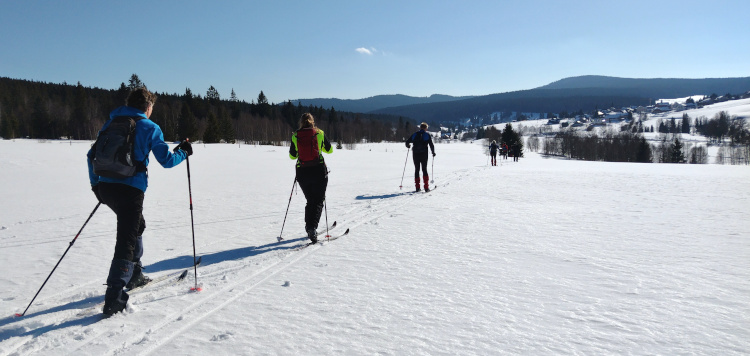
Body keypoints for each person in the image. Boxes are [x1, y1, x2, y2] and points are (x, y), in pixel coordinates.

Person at [87, 87, 192, 316]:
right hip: (129, 190)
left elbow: (91, 155)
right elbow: (166, 160)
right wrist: (184, 152)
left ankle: (135, 274)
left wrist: (96, 185)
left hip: (106, 187)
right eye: (152, 107)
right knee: (126, 237)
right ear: (148, 106)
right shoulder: (149, 127)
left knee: (137, 226)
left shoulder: (111, 123)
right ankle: (115, 296)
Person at [289, 113, 333, 244]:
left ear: (301, 122)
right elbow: (329, 150)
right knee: (319, 200)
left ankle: (309, 227)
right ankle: (312, 228)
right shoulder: (319, 133)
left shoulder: (295, 135)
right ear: (313, 121)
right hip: (318, 170)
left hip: (302, 172)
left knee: (310, 200)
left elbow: (292, 156)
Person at [405, 122, 436, 192]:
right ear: (425, 128)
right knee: (424, 169)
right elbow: (431, 145)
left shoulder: (415, 134)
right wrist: (433, 152)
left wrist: (408, 146)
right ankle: (426, 187)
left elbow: (407, 142)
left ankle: (417, 187)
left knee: (417, 169)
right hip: (424, 154)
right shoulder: (427, 135)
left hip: (415, 154)